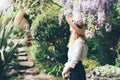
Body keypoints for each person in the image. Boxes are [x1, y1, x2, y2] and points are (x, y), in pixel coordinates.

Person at [62, 15, 88, 80]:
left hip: (77, 70)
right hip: (75, 69)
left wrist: (65, 70)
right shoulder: (76, 41)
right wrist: (67, 69)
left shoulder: (79, 42)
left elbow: (75, 59)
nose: (70, 27)